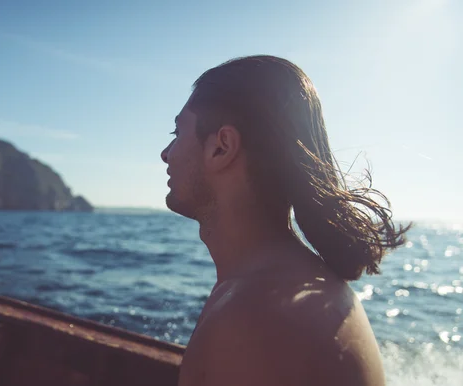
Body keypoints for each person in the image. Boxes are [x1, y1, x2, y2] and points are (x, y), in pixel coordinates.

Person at [160, 55, 410, 386]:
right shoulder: (271, 286)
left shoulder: (257, 320)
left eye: (177, 132)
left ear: (221, 147)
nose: (167, 152)